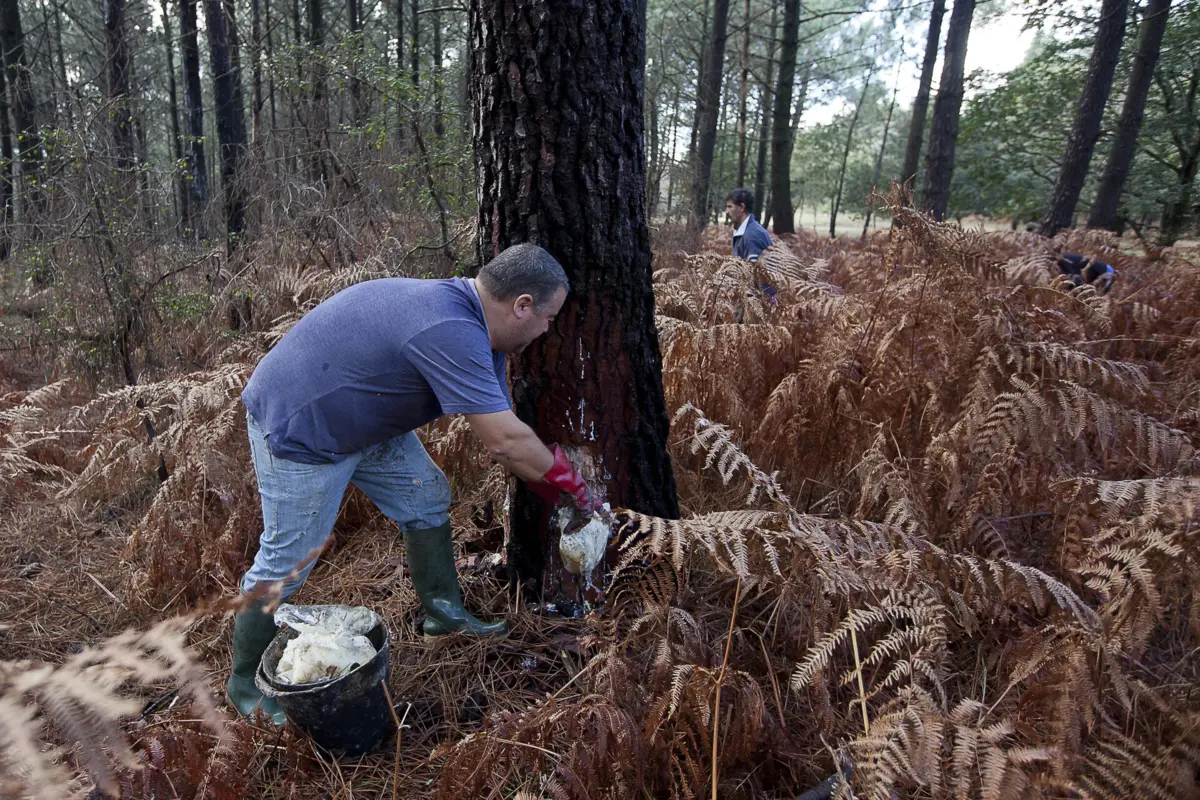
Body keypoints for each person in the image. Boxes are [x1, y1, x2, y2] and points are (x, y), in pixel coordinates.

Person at [226, 243, 603, 724]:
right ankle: (244, 686)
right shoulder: (451, 329)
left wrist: (554, 485)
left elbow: (501, 423)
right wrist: (574, 491)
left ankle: (443, 614)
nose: (549, 328)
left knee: (425, 496)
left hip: (359, 419)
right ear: (522, 305)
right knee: (287, 559)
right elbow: (505, 442)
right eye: (549, 316)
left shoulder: (476, 328)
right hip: (303, 428)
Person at [725, 187, 773, 264]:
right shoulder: (743, 231)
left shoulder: (754, 234)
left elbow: (756, 272)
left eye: (730, 207)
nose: (726, 211)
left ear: (741, 207)